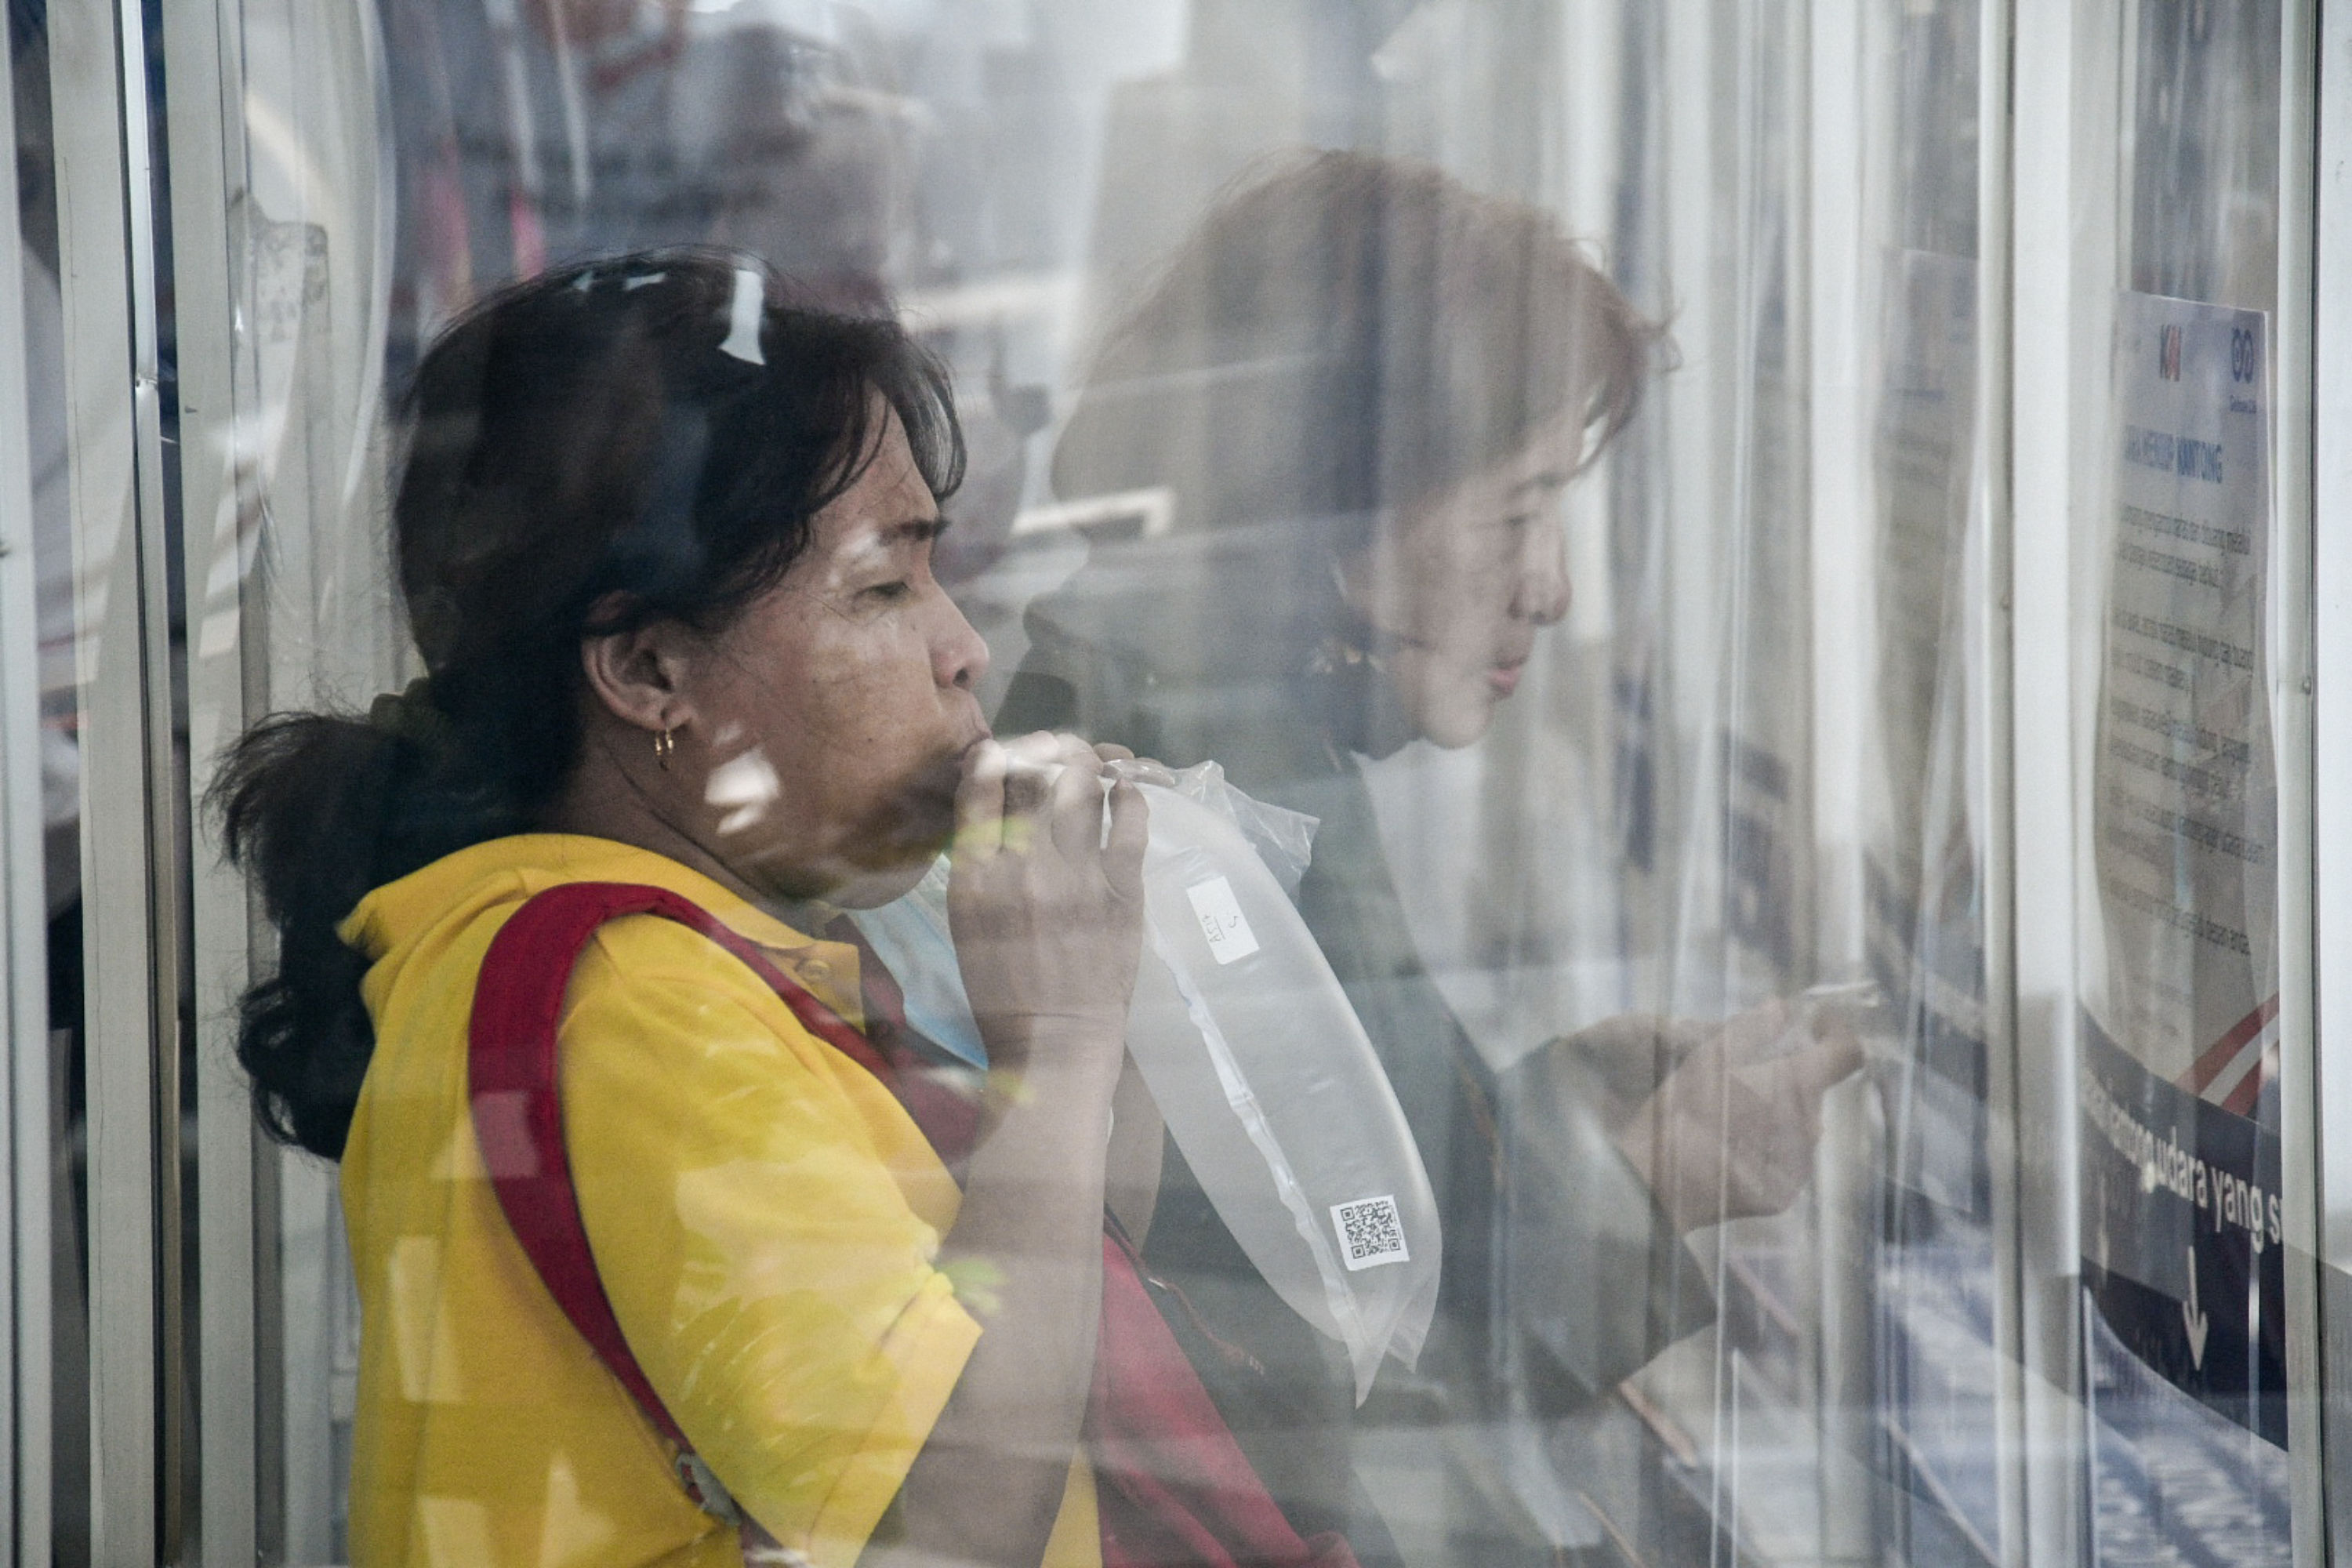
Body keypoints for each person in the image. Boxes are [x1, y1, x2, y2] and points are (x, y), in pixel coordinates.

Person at [211, 249, 1352, 1568]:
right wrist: (1057, 1053)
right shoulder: (637, 1005)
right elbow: (954, 1521)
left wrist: (1101, 991)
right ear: (650, 670)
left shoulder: (711, 962)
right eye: (884, 589)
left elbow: (1052, 1307)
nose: (963, 648)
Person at [997, 151, 1863, 1562]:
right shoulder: (1190, 821)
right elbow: (1362, 1400)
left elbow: (1326, 1204)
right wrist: (1646, 1191)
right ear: (1337, 513)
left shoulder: (1226, 736)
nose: (1555, 587)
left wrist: (1564, 1112)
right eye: (1517, 512)